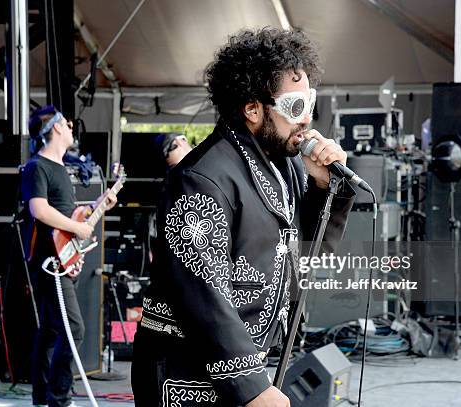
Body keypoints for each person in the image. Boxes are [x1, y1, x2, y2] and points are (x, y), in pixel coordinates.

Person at [131, 28, 355, 407]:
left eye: (309, 102)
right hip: (186, 373)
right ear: (253, 109)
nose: (306, 120)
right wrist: (251, 385)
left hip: (241, 364)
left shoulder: (286, 167)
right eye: (294, 107)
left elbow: (305, 254)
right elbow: (204, 295)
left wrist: (326, 189)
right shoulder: (201, 178)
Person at [22, 105, 117, 407]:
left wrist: (99, 206)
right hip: (50, 262)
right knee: (74, 328)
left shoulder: (60, 168)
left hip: (63, 259)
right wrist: (77, 226)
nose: (73, 126)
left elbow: (68, 216)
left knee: (51, 330)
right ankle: (59, 399)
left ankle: (42, 396)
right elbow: (39, 209)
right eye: (68, 123)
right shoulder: (38, 167)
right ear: (56, 128)